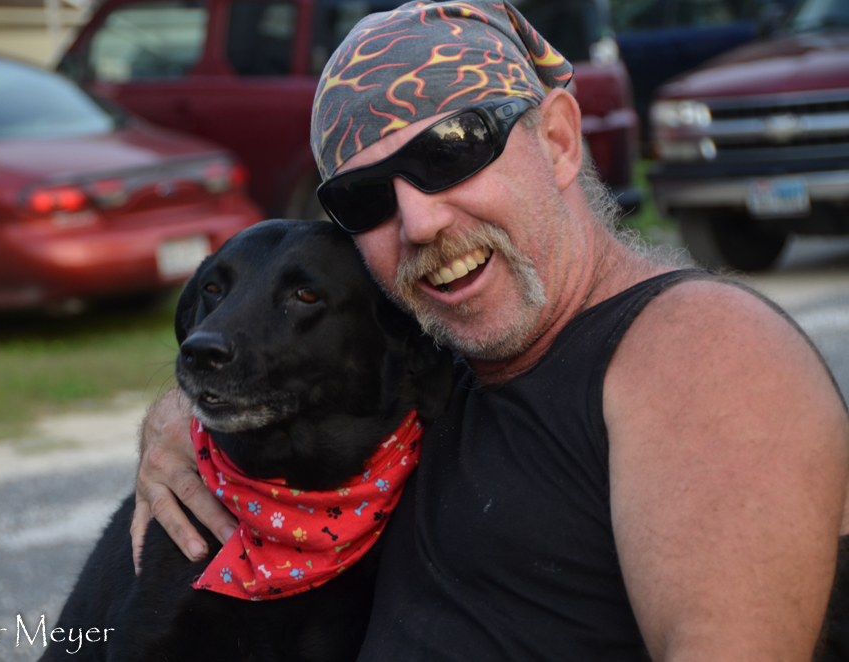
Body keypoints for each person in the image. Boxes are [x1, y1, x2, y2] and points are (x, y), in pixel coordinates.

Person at [130, 1, 849, 659]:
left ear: (561, 141)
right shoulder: (435, 356)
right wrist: (180, 416)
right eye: (366, 197)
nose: (419, 221)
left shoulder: (700, 353)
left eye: (450, 153)